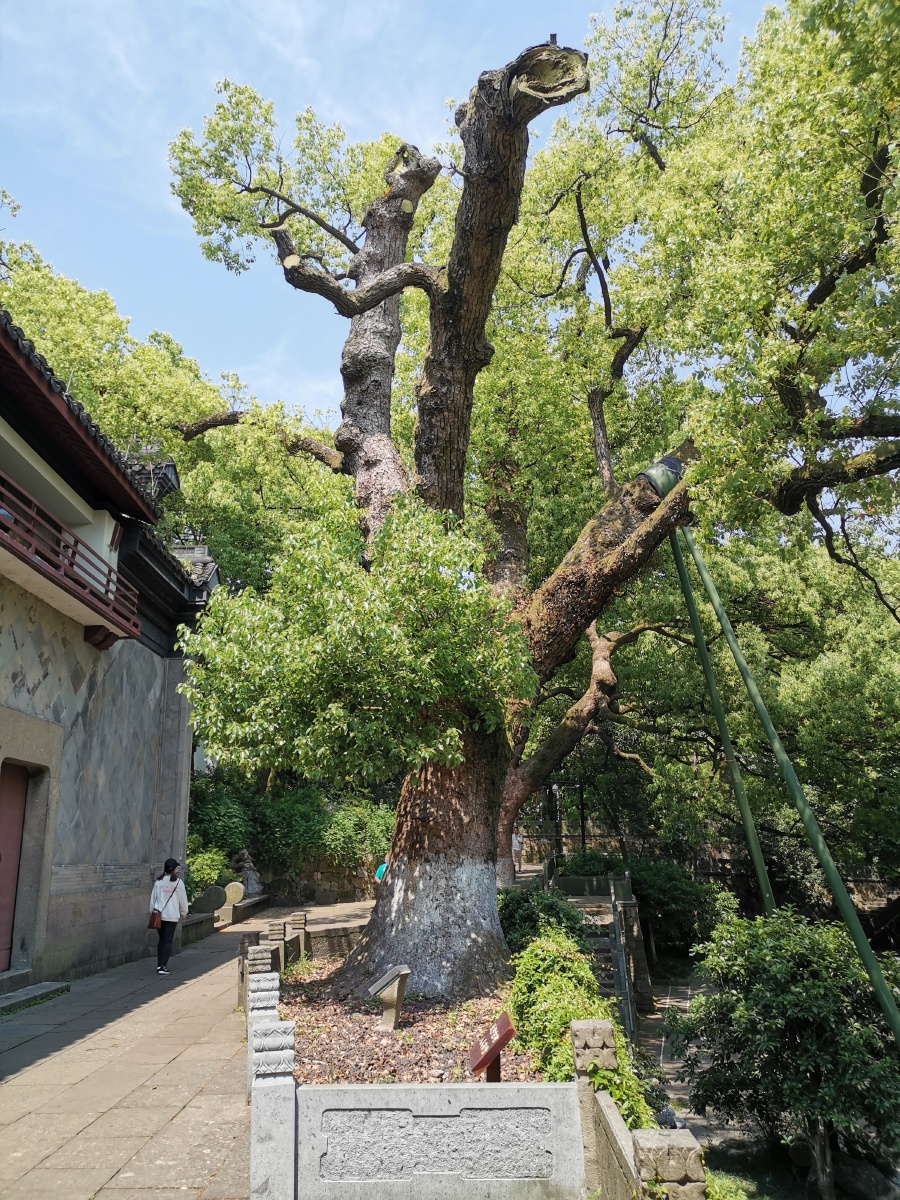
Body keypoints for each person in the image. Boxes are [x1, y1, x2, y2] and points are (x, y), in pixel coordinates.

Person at [149, 858, 189, 976]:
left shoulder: (159, 882)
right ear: (174, 868)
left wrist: (152, 911)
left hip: (159, 915)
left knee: (162, 940)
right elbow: (183, 899)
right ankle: (163, 965)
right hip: (171, 915)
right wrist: (184, 912)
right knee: (168, 940)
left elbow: (153, 899)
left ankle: (159, 964)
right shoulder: (178, 882)